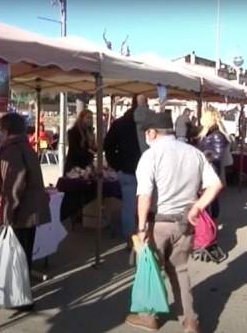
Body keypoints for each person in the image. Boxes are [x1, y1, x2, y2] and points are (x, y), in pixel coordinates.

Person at [125, 112, 222, 333]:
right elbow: (215, 184)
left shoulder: (150, 156)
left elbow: (145, 196)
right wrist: (197, 206)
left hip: (157, 222)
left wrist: (141, 228)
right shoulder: (193, 153)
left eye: (147, 133)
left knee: (149, 268)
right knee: (181, 270)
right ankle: (189, 320)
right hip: (185, 221)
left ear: (152, 133)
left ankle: (148, 317)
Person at [0, 113, 51, 309]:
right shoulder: (24, 147)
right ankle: (21, 294)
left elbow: (14, 185)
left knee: (20, 256)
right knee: (23, 255)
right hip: (28, 210)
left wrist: (6, 213)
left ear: (5, 131)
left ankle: (22, 299)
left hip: (21, 212)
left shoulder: (12, 150)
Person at [103, 95, 143, 243]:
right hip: (130, 170)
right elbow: (108, 146)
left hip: (129, 169)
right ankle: (133, 237)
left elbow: (108, 145)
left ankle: (132, 238)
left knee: (131, 205)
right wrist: (117, 165)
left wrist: (116, 164)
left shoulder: (120, 124)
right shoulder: (136, 124)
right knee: (133, 205)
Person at [196, 107, 229, 225]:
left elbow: (218, 155)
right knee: (209, 198)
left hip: (211, 169)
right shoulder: (208, 132)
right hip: (207, 168)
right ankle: (208, 223)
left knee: (211, 198)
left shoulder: (216, 134)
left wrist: (203, 157)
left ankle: (212, 224)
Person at [64, 109, 96, 174]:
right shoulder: (74, 131)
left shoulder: (90, 132)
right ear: (82, 118)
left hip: (86, 165)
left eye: (91, 118)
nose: (90, 120)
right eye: (88, 117)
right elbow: (74, 149)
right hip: (74, 165)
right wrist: (88, 151)